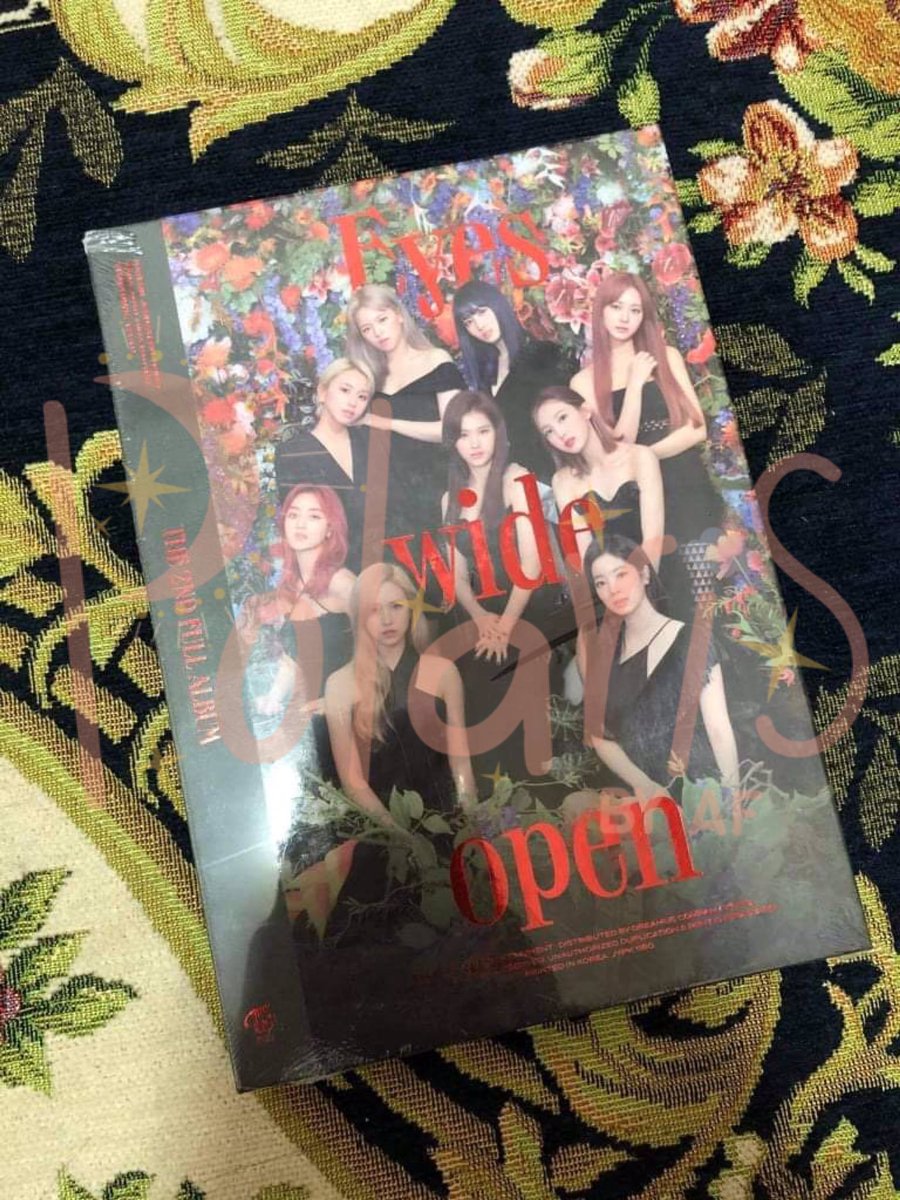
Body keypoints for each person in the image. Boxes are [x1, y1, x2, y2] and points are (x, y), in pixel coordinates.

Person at [570, 272, 723, 596]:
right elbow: (617, 445)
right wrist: (635, 384)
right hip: (635, 501)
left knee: (705, 597)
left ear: (644, 316)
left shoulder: (666, 357)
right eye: (616, 307)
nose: (625, 318)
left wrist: (645, 459)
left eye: (635, 310)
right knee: (661, 596)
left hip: (684, 486)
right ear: (601, 310)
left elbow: (696, 429)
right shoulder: (583, 382)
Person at [584, 535, 740, 795]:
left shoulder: (693, 639)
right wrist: (644, 786)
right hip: (645, 794)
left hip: (701, 788)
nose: (613, 589)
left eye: (620, 575)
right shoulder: (604, 655)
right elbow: (601, 737)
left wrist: (733, 796)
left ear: (644, 574)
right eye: (601, 583)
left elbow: (719, 729)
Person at [324, 562, 476, 827]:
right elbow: (353, 782)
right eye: (374, 610)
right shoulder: (339, 685)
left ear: (412, 608)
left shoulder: (444, 673)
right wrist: (400, 837)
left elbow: (461, 763)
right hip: (382, 827)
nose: (386, 619)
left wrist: (472, 822)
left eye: (396, 606)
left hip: (448, 820)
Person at [347, 284, 463, 535]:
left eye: (382, 319)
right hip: (394, 498)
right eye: (367, 329)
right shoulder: (369, 377)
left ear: (399, 315)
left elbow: (452, 429)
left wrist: (386, 423)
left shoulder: (436, 360)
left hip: (441, 484)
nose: (378, 332)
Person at [240, 484, 356, 718]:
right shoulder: (293, 585)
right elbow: (292, 660)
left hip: (349, 715)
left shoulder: (342, 583)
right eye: (293, 515)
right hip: (309, 715)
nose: (300, 524)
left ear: (330, 529)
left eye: (314, 516)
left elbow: (382, 652)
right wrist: (272, 698)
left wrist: (339, 698)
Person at [453, 280, 577, 479]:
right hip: (518, 478)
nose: (479, 325)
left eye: (482, 312)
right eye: (468, 322)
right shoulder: (484, 374)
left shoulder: (542, 354)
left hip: (561, 470)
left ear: (497, 305)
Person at [274, 358, 373, 572]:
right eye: (345, 390)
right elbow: (297, 527)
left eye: (362, 396)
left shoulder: (369, 441)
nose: (353, 403)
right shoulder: (292, 452)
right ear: (322, 392)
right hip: (332, 570)